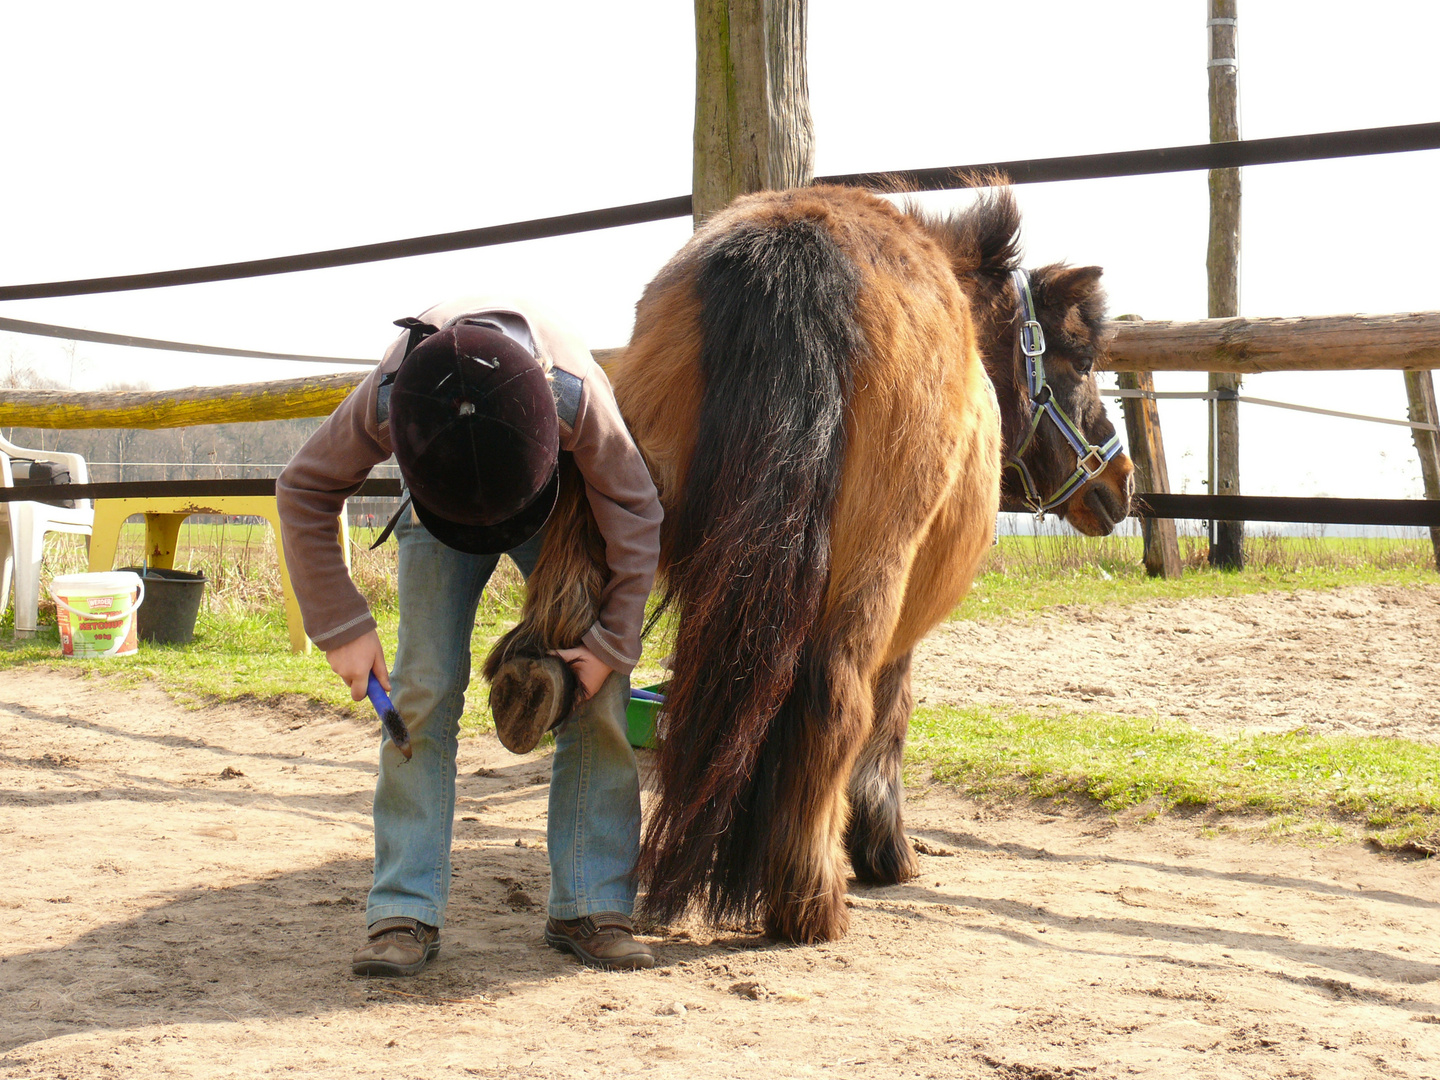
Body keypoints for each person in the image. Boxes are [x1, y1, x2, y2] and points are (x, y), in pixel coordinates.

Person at [277, 297, 662, 975]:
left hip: (546, 495)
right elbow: (305, 486)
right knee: (420, 690)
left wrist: (605, 649)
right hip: (440, 499)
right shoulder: (394, 395)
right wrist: (341, 623)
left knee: (599, 692)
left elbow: (635, 512)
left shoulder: (577, 397)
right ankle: (403, 908)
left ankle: (590, 900)